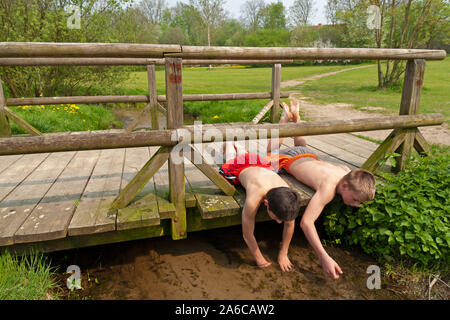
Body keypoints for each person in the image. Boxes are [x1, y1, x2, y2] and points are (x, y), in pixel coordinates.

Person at [266, 98, 376, 279]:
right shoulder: (329, 188)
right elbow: (306, 222)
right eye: (356, 200)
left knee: (301, 146)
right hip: (290, 160)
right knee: (270, 151)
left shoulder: (344, 172)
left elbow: (353, 171)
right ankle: (285, 120)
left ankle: (295, 118)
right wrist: (324, 257)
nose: (356, 205)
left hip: (308, 157)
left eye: (359, 202)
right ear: (345, 185)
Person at [219, 141, 302, 272]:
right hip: (239, 169)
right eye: (277, 218)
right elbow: (247, 233)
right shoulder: (255, 196)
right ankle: (230, 144)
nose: (280, 222)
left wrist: (283, 253)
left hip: (260, 164)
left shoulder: (288, 196)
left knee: (245, 157)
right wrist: (259, 258)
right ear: (266, 204)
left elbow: (290, 224)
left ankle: (239, 147)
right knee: (231, 160)